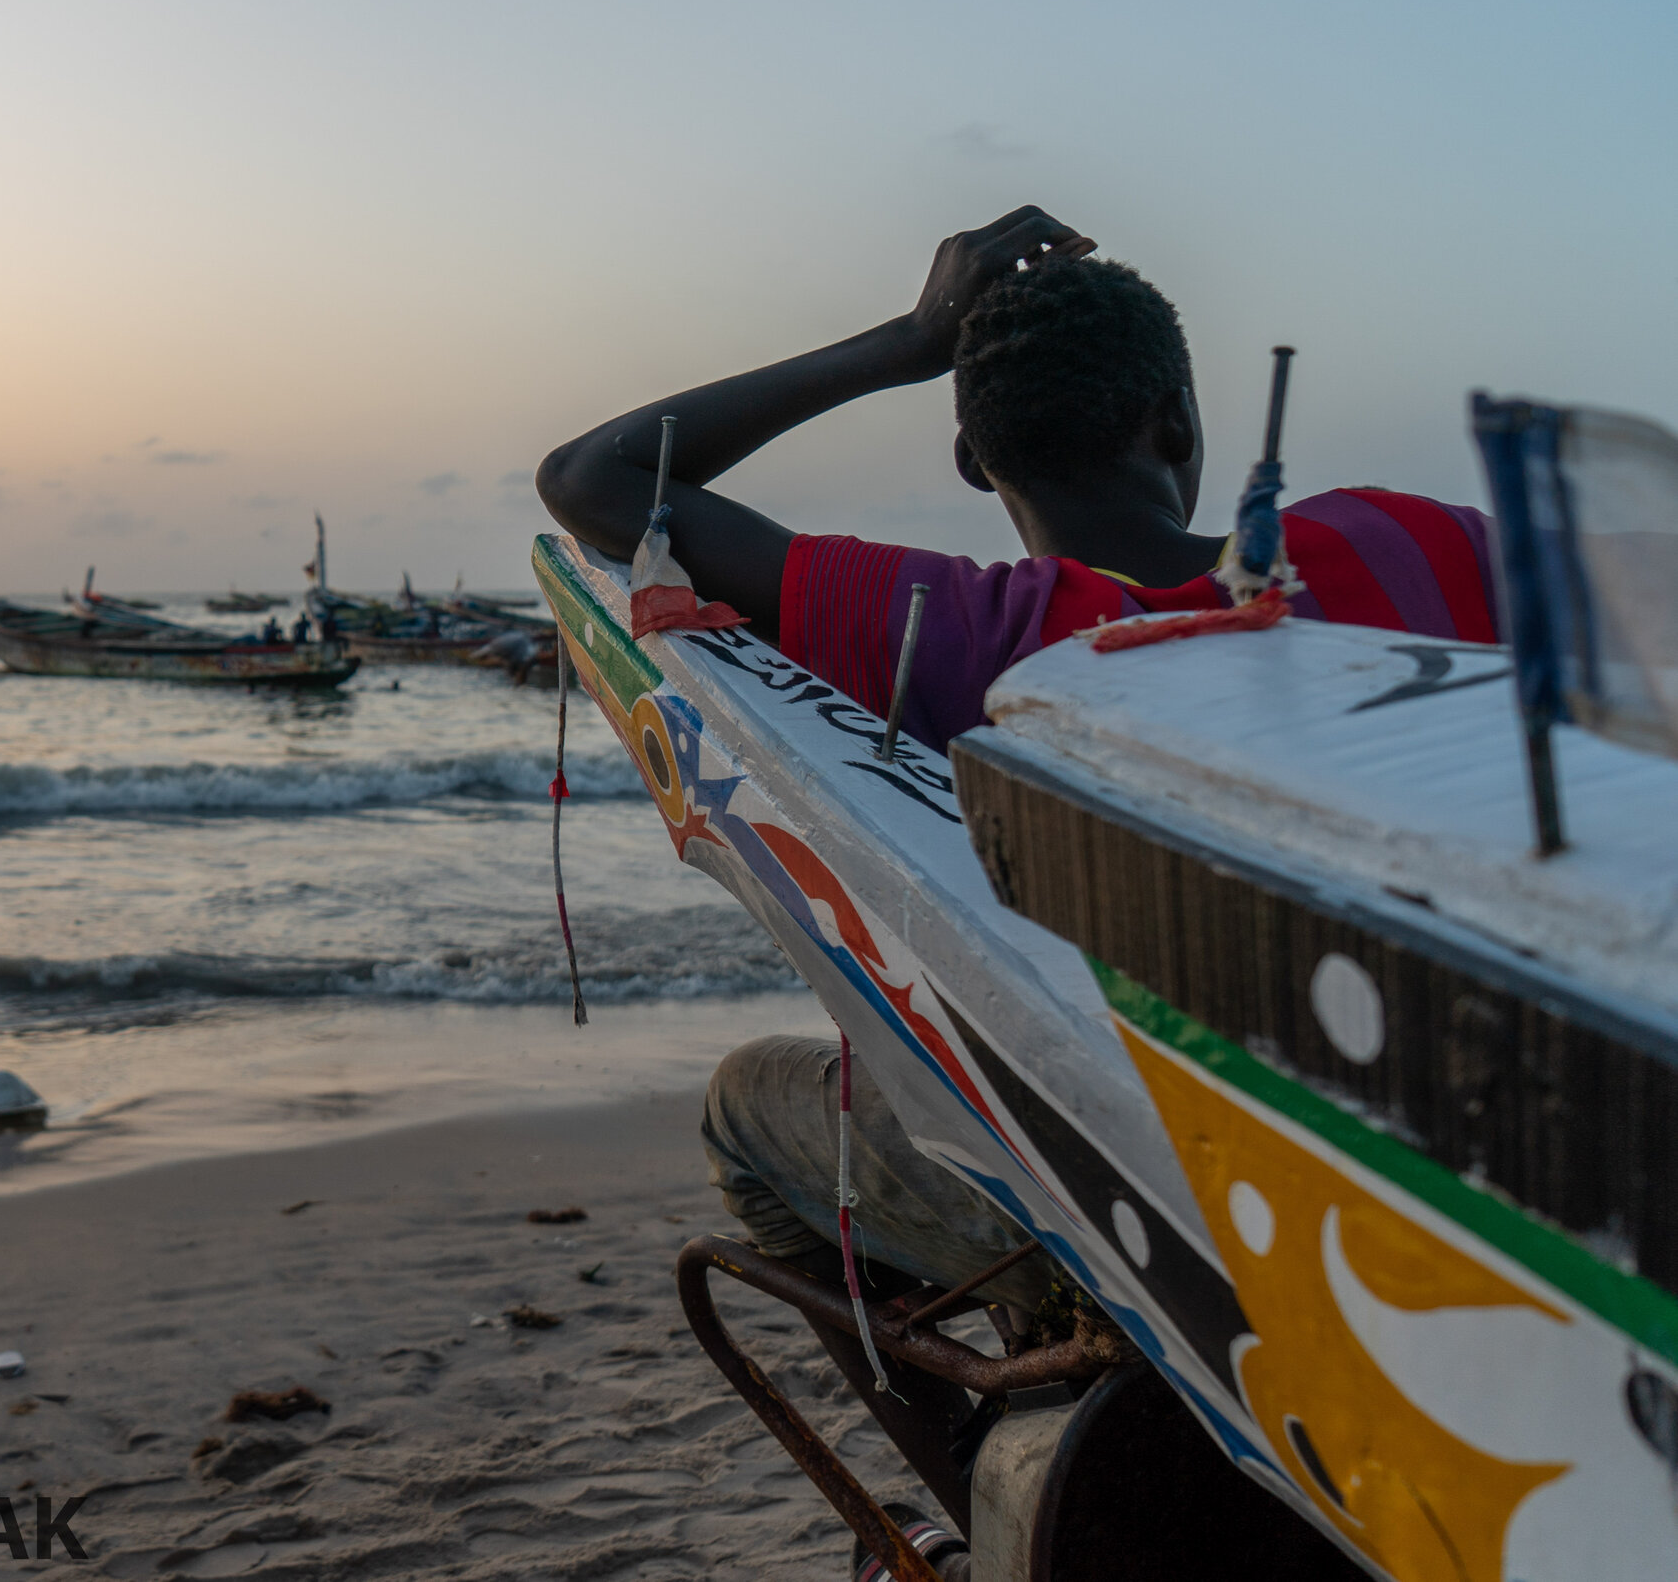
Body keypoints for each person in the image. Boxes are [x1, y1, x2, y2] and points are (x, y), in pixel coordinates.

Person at [537, 206, 1499, 1530]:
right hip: (1458, 1153)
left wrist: (911, 337)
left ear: (969, 458)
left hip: (1155, 1180)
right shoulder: (1412, 547)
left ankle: (966, 1503)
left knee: (744, 1117)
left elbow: (593, 480)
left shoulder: (965, 634)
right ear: (1176, 423)